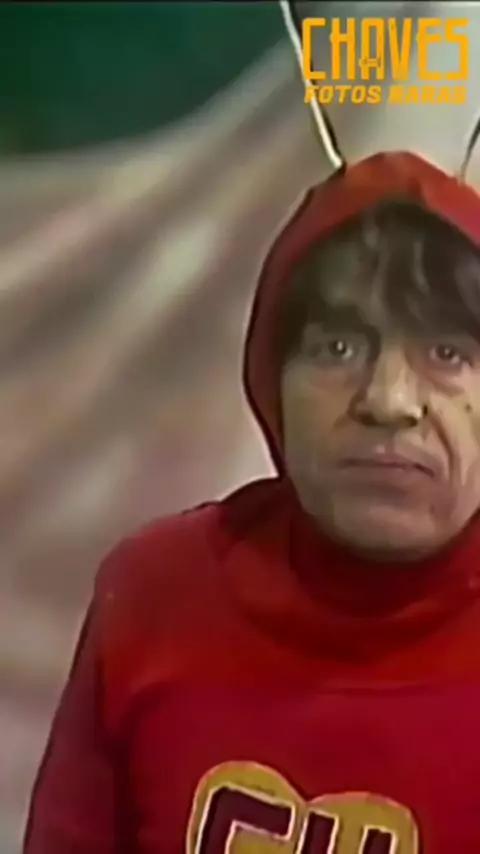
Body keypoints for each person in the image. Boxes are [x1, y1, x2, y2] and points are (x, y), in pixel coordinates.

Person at [22, 148, 480, 854]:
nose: (389, 401)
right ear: (272, 376)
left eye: (447, 353)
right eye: (337, 347)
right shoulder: (156, 595)